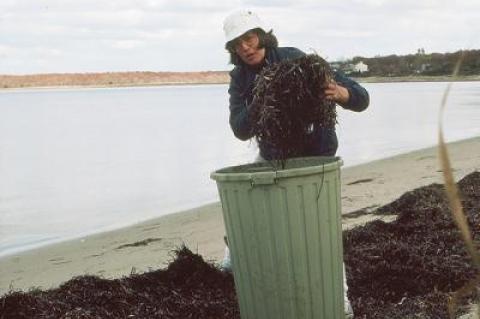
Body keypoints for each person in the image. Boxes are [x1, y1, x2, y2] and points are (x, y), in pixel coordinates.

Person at [221, 9, 369, 318]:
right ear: (233, 49)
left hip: (317, 159)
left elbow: (361, 97)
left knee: (321, 232)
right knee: (247, 209)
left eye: (250, 38)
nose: (246, 47)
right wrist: (260, 96)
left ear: (261, 35)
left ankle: (339, 302)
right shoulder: (240, 78)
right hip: (274, 157)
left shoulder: (297, 61)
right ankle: (232, 258)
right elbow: (239, 128)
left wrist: (340, 93)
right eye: (238, 43)